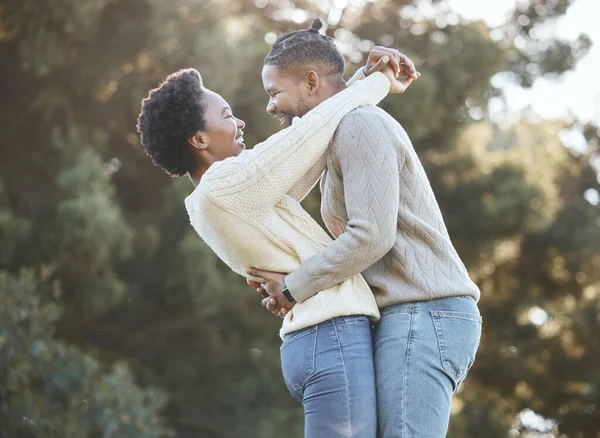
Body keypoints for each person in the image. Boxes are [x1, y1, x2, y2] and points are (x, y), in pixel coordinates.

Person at [136, 32, 418, 437]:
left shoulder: (220, 196)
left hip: (321, 339)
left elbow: (312, 144)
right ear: (199, 139)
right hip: (330, 336)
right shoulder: (226, 186)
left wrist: (357, 80)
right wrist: (376, 82)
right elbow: (307, 136)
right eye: (227, 115)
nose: (240, 122)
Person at [248, 18, 482, 438]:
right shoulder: (341, 131)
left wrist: (294, 287)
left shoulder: (359, 126)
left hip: (424, 312)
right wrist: (365, 79)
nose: (270, 106)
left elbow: (372, 235)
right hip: (410, 314)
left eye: (274, 92)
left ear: (311, 81)